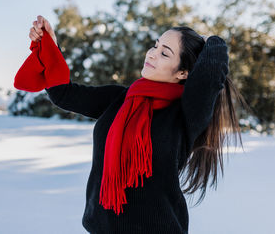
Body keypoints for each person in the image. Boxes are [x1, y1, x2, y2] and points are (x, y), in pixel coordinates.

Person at [22, 15, 246, 234]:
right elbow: (63, 94)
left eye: (164, 53)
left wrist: (213, 41)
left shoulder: (186, 113)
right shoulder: (121, 99)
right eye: (155, 45)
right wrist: (50, 44)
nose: (152, 54)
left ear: (182, 72)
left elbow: (210, 75)